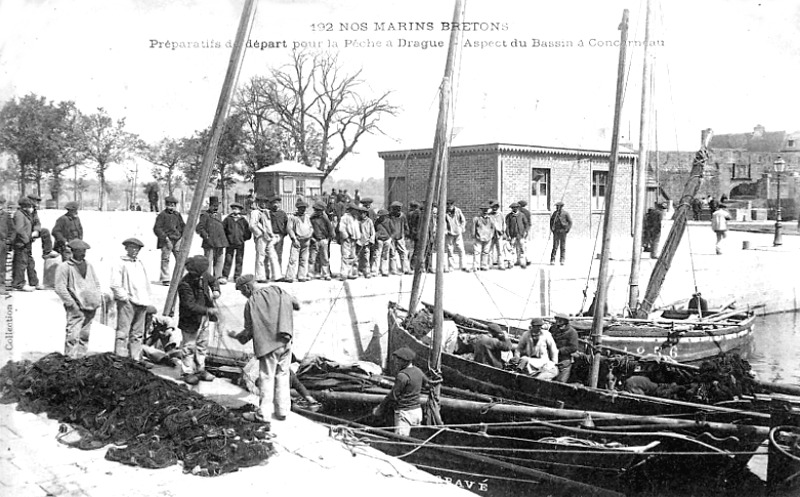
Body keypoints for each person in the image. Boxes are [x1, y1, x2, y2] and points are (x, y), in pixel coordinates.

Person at [229, 274, 300, 421]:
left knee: (267, 378)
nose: (243, 294)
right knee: (283, 376)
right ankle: (282, 412)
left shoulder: (250, 303)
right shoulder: (277, 290)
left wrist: (236, 336)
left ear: (247, 287)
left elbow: (248, 332)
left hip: (268, 347)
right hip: (285, 342)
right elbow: (296, 304)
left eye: (242, 291)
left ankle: (263, 415)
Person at [54, 239, 102, 359]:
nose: (83, 254)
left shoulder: (89, 265)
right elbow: (60, 287)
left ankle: (81, 360)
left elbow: (96, 283)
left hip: (90, 306)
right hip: (76, 307)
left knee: (85, 335)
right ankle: (70, 361)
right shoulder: (64, 267)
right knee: (73, 336)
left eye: (84, 251)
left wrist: (97, 297)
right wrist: (71, 304)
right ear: (73, 251)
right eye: (80, 251)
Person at [177, 255, 220, 385]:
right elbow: (189, 305)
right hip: (190, 319)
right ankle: (188, 372)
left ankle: (200, 369)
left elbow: (213, 281)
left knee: (202, 344)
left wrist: (216, 290)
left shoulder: (204, 274)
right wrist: (208, 310)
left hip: (204, 319)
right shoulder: (184, 284)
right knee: (189, 346)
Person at [110, 238, 152, 366]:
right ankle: (120, 359)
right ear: (126, 248)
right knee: (123, 332)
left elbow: (145, 283)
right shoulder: (120, 263)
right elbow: (115, 284)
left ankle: (135, 359)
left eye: (137, 249)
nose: (135, 251)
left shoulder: (139, 263)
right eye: (132, 248)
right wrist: (124, 298)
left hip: (141, 301)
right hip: (128, 302)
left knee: (138, 333)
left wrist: (146, 298)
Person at [373, 347, 424, 436]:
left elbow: (393, 395)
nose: (396, 362)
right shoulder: (418, 371)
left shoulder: (402, 375)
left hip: (405, 413)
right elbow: (427, 383)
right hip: (417, 411)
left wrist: (380, 408)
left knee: (401, 440)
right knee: (414, 438)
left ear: (404, 361)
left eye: (398, 360)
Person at [153, 195, 185, 285]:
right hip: (166, 240)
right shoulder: (162, 215)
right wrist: (165, 237)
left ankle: (180, 276)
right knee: (165, 259)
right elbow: (157, 228)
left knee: (180, 258)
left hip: (177, 239)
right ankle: (165, 278)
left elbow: (183, 226)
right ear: (166, 205)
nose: (172, 207)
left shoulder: (177, 215)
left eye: (173, 205)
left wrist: (182, 236)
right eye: (170, 205)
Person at [196, 196, 229, 281]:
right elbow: (199, 228)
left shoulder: (219, 215)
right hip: (209, 242)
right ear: (209, 206)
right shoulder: (204, 215)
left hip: (220, 241)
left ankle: (218, 277)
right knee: (208, 260)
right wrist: (205, 236)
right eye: (214, 206)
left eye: (217, 206)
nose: (215, 208)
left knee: (219, 260)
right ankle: (207, 277)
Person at [249, 196, 280, 283]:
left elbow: (268, 225)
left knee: (273, 256)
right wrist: (260, 234)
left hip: (269, 237)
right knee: (261, 256)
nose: (263, 204)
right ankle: (260, 277)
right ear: (258, 203)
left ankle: (277, 276)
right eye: (261, 202)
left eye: (265, 202)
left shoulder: (266, 212)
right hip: (261, 238)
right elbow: (252, 225)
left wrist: (271, 234)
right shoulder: (255, 212)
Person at [11, 197, 38, 292]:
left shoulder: (25, 214)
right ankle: (19, 283)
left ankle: (31, 282)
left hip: (26, 243)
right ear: (24, 207)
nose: (31, 208)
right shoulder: (19, 215)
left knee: (27, 262)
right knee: (20, 264)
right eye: (29, 206)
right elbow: (19, 229)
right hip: (21, 243)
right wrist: (27, 240)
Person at [285, 199, 313, 282]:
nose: (303, 209)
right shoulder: (293, 218)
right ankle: (290, 276)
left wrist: (309, 235)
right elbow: (289, 229)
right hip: (297, 240)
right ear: (298, 208)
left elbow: (311, 227)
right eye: (301, 208)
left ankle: (301, 276)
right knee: (293, 259)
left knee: (304, 259)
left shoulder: (307, 217)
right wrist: (294, 239)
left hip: (306, 240)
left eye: (304, 208)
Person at [222, 202, 252, 282]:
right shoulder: (228, 219)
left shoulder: (243, 220)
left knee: (239, 260)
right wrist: (226, 239)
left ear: (240, 210)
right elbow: (223, 230)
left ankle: (237, 276)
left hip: (240, 243)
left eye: (237, 209)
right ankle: (225, 276)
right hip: (230, 243)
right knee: (228, 259)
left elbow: (247, 232)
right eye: (234, 209)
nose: (235, 211)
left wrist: (243, 238)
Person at [550, 314, 579, 383]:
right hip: (551, 359)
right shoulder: (553, 329)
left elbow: (573, 347)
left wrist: (559, 351)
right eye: (557, 320)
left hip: (564, 360)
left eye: (560, 320)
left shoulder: (572, 332)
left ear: (565, 322)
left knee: (560, 382)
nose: (558, 322)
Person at [26, 193, 55, 260]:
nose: (37, 203)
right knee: (27, 255)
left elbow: (37, 222)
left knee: (45, 231)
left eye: (37, 201)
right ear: (30, 201)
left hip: (31, 232)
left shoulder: (34, 211)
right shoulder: (24, 209)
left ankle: (47, 252)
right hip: (24, 233)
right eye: (35, 201)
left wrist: (36, 230)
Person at [309, 201, 333, 280]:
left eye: (319, 210)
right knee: (312, 258)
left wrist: (329, 238)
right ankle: (312, 274)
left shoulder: (325, 218)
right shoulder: (311, 218)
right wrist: (311, 238)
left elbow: (330, 229)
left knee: (325, 258)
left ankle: (326, 274)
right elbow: (309, 229)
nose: (318, 212)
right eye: (316, 210)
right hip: (315, 240)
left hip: (323, 240)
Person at [387, 201, 412, 275]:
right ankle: (393, 270)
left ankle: (406, 269)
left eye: (399, 209)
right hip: (391, 237)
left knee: (403, 253)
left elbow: (405, 225)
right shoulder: (389, 216)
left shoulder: (402, 216)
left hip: (400, 236)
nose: (398, 211)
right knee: (392, 253)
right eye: (396, 209)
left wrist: (407, 234)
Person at [444, 199, 467, 272]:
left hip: (458, 232)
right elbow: (443, 222)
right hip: (449, 233)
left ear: (453, 205)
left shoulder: (458, 211)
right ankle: (451, 266)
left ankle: (463, 265)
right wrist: (445, 230)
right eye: (448, 204)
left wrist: (461, 228)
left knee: (460, 249)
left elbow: (463, 220)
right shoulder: (444, 212)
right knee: (450, 250)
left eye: (451, 204)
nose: (449, 206)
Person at [505, 202, 530, 268]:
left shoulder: (522, 215)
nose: (514, 209)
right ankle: (512, 263)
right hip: (513, 235)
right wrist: (508, 235)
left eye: (516, 207)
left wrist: (526, 232)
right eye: (513, 208)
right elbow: (507, 226)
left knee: (522, 249)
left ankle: (523, 262)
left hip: (521, 235)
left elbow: (526, 224)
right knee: (512, 249)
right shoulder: (509, 216)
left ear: (518, 208)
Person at [268, 196, 289, 271]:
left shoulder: (282, 213)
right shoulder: (269, 213)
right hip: (271, 235)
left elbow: (287, 224)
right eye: (274, 203)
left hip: (280, 235)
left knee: (279, 254)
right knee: (269, 254)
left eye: (277, 203)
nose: (275, 205)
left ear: (280, 204)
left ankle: (278, 272)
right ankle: (268, 273)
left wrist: (284, 233)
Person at [549, 201, 572, 265]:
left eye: (558, 206)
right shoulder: (555, 214)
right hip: (556, 231)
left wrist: (567, 230)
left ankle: (562, 260)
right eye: (556, 206)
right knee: (555, 246)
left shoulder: (565, 213)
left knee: (563, 246)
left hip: (563, 231)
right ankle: (552, 259)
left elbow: (570, 222)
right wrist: (552, 229)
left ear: (561, 207)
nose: (556, 207)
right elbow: (551, 222)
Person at [472, 204, 494, 271]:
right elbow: (473, 228)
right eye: (483, 210)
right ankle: (476, 266)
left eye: (486, 210)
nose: (485, 212)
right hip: (478, 237)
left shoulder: (491, 219)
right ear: (481, 210)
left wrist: (491, 235)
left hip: (488, 238)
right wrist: (473, 236)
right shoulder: (476, 218)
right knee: (477, 252)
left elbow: (493, 228)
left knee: (485, 252)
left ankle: (483, 265)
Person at [373, 209, 394, 277]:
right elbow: (374, 230)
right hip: (379, 240)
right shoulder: (377, 222)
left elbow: (393, 230)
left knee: (385, 255)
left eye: (382, 216)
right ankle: (375, 271)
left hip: (387, 240)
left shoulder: (389, 221)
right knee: (377, 255)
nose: (381, 217)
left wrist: (391, 238)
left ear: (385, 216)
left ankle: (384, 270)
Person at [356, 205, 375, 278]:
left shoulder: (369, 221)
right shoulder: (357, 221)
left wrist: (371, 240)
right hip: (359, 242)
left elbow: (372, 232)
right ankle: (359, 271)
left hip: (367, 242)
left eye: (363, 213)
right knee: (358, 257)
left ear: (366, 213)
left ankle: (367, 271)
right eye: (360, 213)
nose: (362, 214)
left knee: (366, 258)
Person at [488, 200, 505, 270]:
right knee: (489, 250)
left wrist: (503, 232)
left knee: (500, 250)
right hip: (491, 235)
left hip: (499, 235)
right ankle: (489, 264)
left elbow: (504, 224)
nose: (494, 208)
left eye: (495, 207)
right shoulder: (489, 215)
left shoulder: (500, 214)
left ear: (498, 207)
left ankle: (501, 265)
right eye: (493, 207)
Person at [406, 201, 421, 267]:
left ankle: (408, 264)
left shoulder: (409, 214)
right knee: (415, 250)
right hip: (415, 234)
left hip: (410, 234)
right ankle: (412, 265)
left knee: (410, 250)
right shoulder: (416, 213)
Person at [0, 197, 8, 295]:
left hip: (2, 242)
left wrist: (9, 240)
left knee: (1, 265)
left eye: (1, 204)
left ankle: (1, 286)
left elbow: (11, 228)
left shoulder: (5, 215)